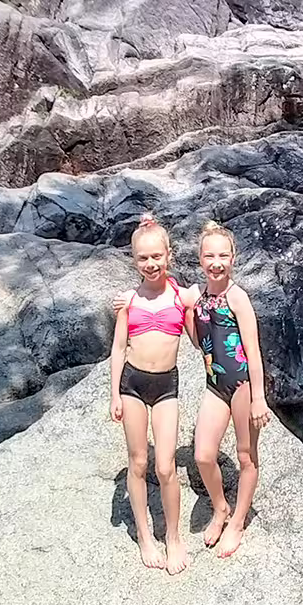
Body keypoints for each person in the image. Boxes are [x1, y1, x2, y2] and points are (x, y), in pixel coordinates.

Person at [108, 215, 195, 575]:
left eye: (156, 256)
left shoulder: (179, 298)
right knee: (139, 461)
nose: (151, 264)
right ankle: (145, 534)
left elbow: (199, 338)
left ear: (169, 256)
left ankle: (173, 537)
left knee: (166, 466)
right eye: (143, 258)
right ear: (134, 261)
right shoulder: (129, 302)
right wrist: (114, 393)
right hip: (132, 384)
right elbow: (117, 349)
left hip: (165, 387)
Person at [188, 222, 269, 557]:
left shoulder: (238, 297)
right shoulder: (200, 298)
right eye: (209, 255)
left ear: (233, 258)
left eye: (223, 255)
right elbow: (199, 343)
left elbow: (253, 349)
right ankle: (220, 507)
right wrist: (188, 311)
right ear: (200, 259)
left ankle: (237, 522)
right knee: (202, 455)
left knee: (246, 456)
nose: (216, 262)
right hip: (215, 384)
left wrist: (259, 398)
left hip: (242, 385)